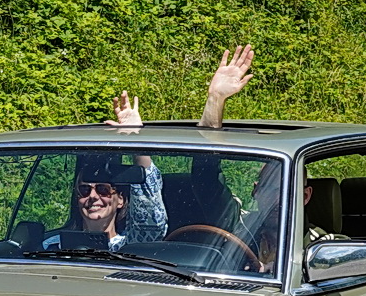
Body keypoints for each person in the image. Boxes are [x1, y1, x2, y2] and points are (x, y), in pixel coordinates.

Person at [101, 44, 256, 244]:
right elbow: (205, 175)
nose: (256, 184)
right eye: (84, 190)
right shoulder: (241, 224)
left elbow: (203, 177)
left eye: (269, 182)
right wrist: (215, 99)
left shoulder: (258, 230)